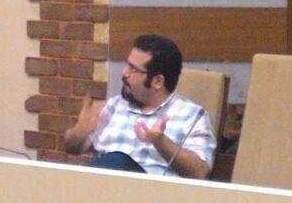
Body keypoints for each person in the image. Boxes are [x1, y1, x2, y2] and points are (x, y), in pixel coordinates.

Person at [62, 34, 216, 178]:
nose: (124, 73)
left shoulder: (192, 116)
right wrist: (80, 130)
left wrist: (160, 142)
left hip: (152, 194)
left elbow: (200, 172)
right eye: (127, 65)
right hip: (101, 189)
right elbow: (72, 149)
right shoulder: (112, 106)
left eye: (133, 69)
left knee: (117, 161)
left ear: (157, 81)